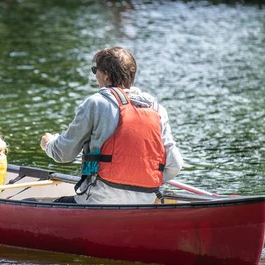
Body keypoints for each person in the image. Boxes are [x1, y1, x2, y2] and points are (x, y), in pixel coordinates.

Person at [40, 46, 183, 204]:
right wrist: (144, 184)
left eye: (96, 70)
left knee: (36, 202)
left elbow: (64, 154)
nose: (95, 76)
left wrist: (49, 144)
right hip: (145, 203)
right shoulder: (157, 110)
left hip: (98, 201)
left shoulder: (96, 103)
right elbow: (175, 165)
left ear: (106, 76)